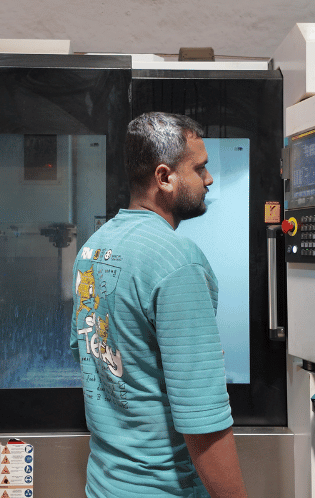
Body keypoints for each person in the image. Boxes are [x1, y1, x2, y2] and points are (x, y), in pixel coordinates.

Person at [70, 112, 248, 497]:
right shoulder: (178, 262)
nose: (209, 179)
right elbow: (202, 418)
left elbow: (92, 357)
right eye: (199, 168)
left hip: (104, 486)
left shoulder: (93, 249)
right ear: (164, 177)